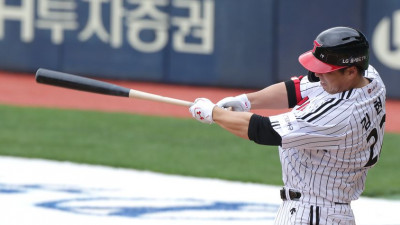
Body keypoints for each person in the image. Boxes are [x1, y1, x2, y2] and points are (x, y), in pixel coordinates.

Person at [189, 26, 386, 225]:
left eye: (325, 71)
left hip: (313, 214)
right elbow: (298, 88)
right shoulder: (370, 79)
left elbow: (263, 130)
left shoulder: (338, 115)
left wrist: (213, 114)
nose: (318, 76)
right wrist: (246, 101)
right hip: (327, 211)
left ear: (351, 71)